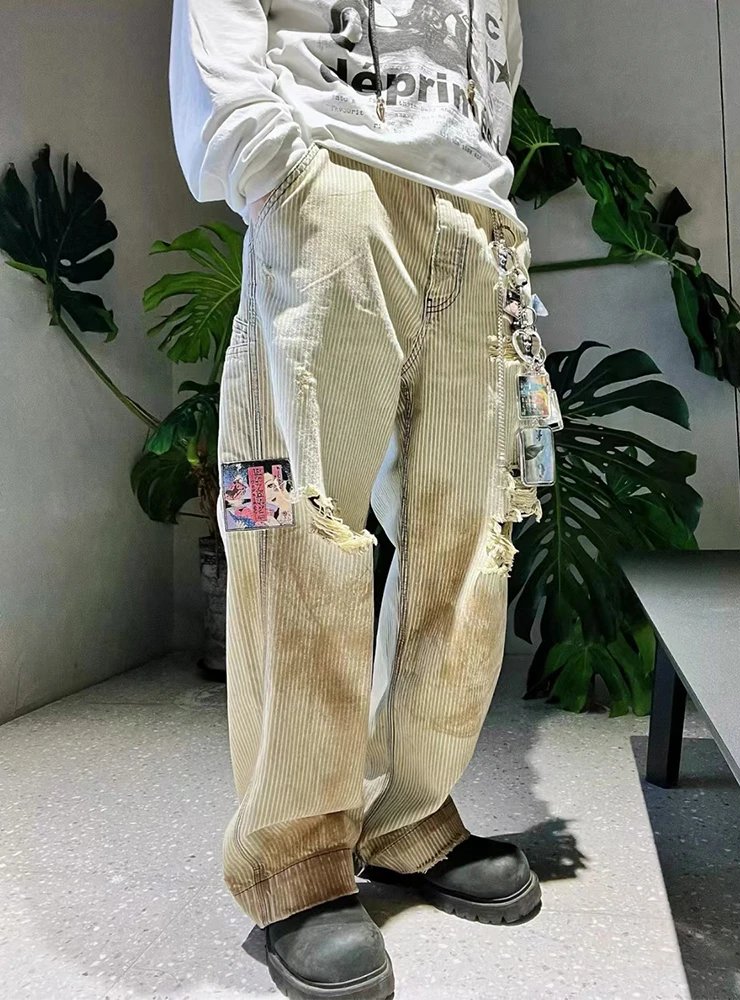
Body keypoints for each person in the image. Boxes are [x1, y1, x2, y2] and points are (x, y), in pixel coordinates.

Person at [169, 1, 555, 996]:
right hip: (329, 180)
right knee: (296, 528)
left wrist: (486, 187)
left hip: (475, 216)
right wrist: (279, 166)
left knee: (469, 543)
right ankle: (296, 856)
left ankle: (410, 816)